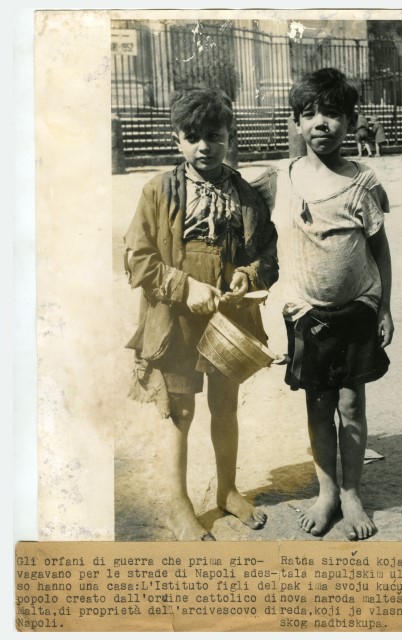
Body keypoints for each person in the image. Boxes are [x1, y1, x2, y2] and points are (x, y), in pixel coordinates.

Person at [123, 87, 278, 541]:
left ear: (230, 136)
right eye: (192, 137)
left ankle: (227, 490)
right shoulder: (158, 191)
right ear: (177, 139)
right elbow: (138, 259)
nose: (204, 146)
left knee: (225, 406)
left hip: (228, 320)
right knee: (181, 412)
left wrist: (248, 275)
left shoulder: (246, 194)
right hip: (175, 321)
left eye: (215, 136)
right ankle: (178, 505)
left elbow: (268, 254)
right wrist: (184, 286)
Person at [252, 68, 394, 541]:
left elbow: (380, 250)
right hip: (306, 314)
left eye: (333, 113)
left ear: (350, 121)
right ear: (296, 121)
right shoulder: (283, 179)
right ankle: (327, 492)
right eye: (310, 113)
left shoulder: (363, 183)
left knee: (351, 405)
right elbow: (251, 221)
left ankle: (352, 493)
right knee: (318, 405)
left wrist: (384, 307)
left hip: (357, 311)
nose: (321, 123)